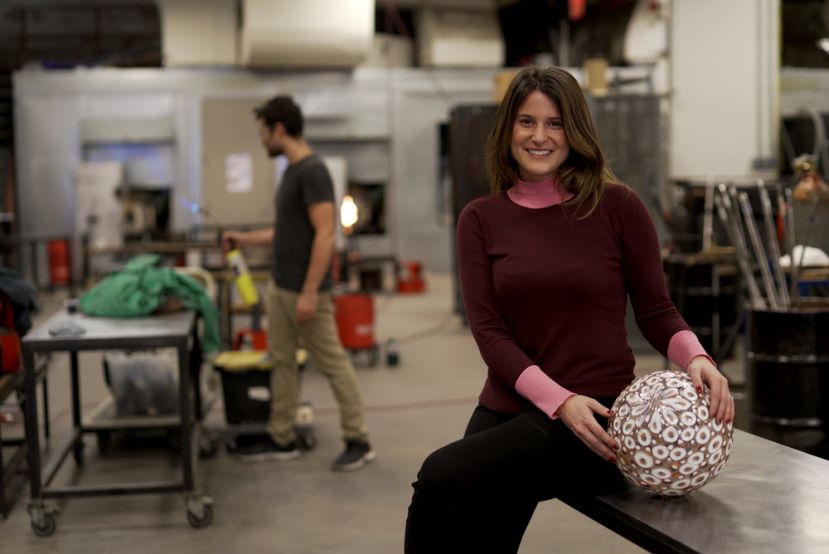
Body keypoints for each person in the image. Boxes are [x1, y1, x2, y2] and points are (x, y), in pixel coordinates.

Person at [404, 66, 734, 552]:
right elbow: (491, 334)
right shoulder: (480, 219)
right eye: (526, 122)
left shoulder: (618, 207)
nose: (539, 136)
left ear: (574, 131)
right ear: (508, 130)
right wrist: (556, 398)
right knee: (455, 512)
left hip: (594, 415)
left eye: (554, 123)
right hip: (512, 404)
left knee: (442, 476)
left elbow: (657, 310)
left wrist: (699, 358)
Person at [222, 95, 375, 472]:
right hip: (282, 287)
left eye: (263, 134)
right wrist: (244, 239)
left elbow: (325, 235)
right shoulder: (292, 172)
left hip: (307, 292)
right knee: (282, 363)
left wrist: (309, 293)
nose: (262, 142)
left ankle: (359, 439)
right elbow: (288, 231)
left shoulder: (312, 171)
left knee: (334, 364)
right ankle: (282, 435)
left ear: (278, 129)